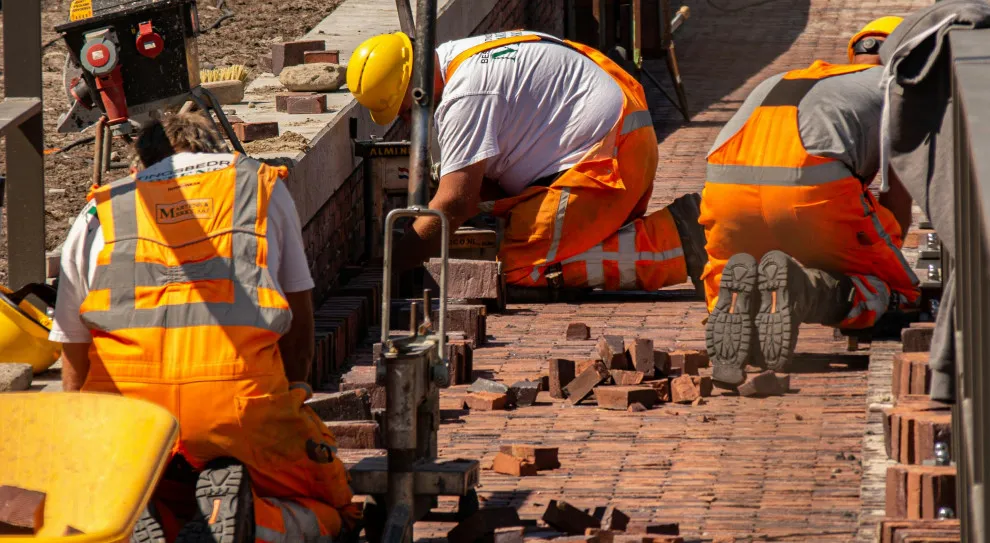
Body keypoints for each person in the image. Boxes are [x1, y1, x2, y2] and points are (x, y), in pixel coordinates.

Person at [49, 113, 360, 542]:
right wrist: (293, 394)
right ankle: (248, 525)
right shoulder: (260, 187)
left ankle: (151, 513)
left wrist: (84, 446)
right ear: (215, 153)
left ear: (140, 165)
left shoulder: (98, 211)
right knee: (333, 509)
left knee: (115, 500)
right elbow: (299, 321)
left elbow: (73, 350)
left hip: (128, 417)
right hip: (239, 406)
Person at [347, 30, 708, 293]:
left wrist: (397, 259)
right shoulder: (463, 54)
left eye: (408, 112)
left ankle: (680, 237)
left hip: (609, 161)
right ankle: (591, 235)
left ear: (416, 90)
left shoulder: (466, 95)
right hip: (621, 133)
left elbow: (456, 202)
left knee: (516, 267)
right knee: (500, 212)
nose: (410, 123)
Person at [701, 16, 921, 388]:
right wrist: (881, 262)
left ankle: (743, 302)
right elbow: (895, 196)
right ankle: (804, 290)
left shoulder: (791, 78)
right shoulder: (898, 89)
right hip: (811, 191)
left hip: (726, 191)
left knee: (734, 266)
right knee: (896, 291)